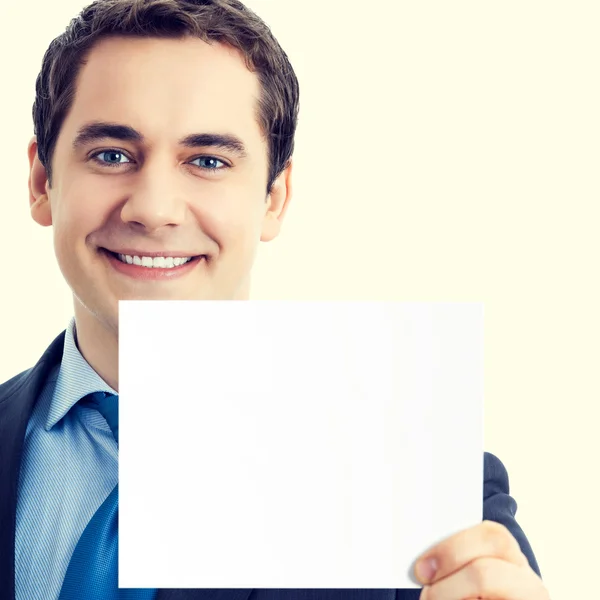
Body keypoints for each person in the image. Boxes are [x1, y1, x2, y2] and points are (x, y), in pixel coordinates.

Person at [0, 0, 550, 599]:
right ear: (40, 182)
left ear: (274, 200)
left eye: (207, 161)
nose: (154, 208)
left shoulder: (422, 489)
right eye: (111, 155)